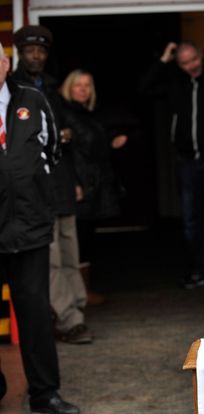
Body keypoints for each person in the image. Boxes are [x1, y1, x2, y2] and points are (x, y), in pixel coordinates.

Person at [0, 42, 80, 414]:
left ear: (6, 64)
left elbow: (52, 154)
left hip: (30, 227)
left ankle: (45, 395)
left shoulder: (32, 99)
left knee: (34, 316)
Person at [11, 25, 93, 344]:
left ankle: (77, 310)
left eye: (41, 50)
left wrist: (73, 178)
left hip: (61, 182)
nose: (36, 55)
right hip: (36, 187)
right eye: (30, 50)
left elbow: (63, 134)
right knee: (54, 259)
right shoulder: (12, 87)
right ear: (19, 53)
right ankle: (68, 319)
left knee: (71, 254)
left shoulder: (54, 87)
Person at [139, 41, 204, 288]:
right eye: (184, 63)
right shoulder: (175, 83)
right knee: (190, 221)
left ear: (201, 56)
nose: (190, 67)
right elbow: (143, 88)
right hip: (187, 161)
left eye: (193, 60)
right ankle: (198, 271)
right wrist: (163, 59)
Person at [61, 69, 127, 310]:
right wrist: (72, 183)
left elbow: (93, 143)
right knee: (76, 239)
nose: (83, 89)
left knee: (87, 238)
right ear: (69, 87)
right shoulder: (64, 113)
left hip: (94, 184)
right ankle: (78, 293)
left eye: (87, 85)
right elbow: (67, 153)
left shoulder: (91, 114)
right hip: (79, 184)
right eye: (78, 85)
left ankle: (84, 290)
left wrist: (111, 140)